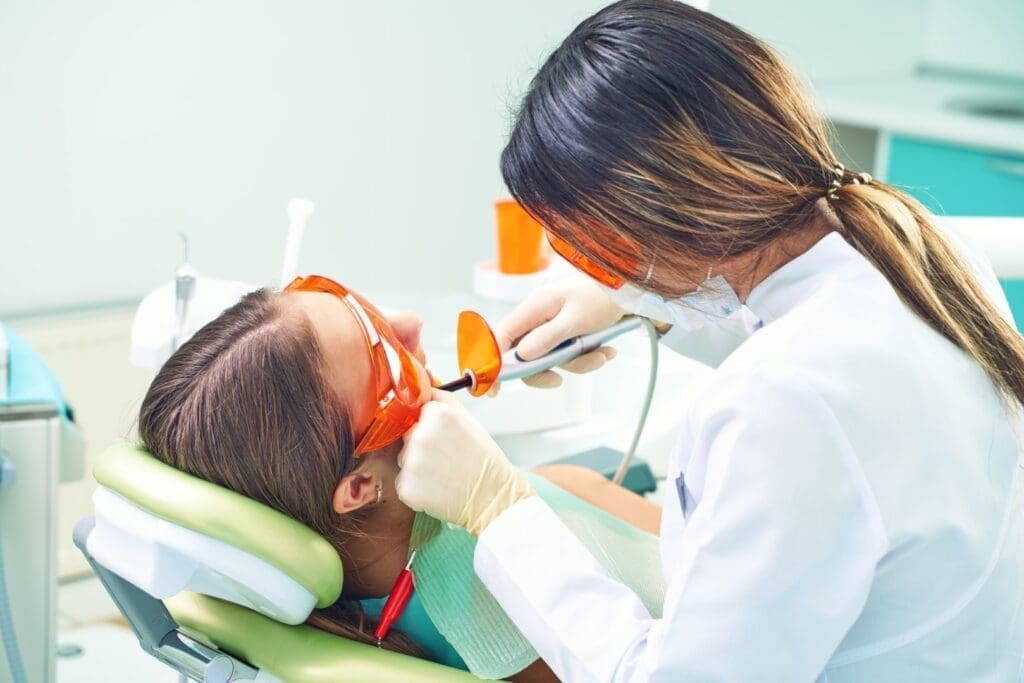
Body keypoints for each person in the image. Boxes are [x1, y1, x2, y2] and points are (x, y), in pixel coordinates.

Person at [394, 1, 1024, 681]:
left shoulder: (782, 401)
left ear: (649, 225)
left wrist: (497, 511)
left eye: (596, 251)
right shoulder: (909, 241)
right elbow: (796, 330)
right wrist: (641, 301)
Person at [137, 276, 661, 682]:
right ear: (360, 487)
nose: (410, 324)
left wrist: (653, 296)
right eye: (384, 354)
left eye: (370, 313)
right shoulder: (481, 598)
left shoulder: (367, 591)